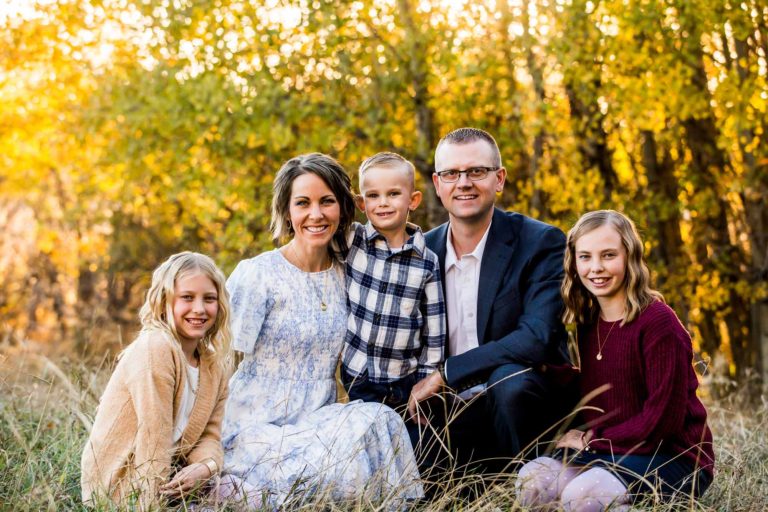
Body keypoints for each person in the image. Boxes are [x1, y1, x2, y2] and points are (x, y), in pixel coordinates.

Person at [218, 153, 423, 508]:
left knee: (378, 418)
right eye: (303, 203)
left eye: (327, 201)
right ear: (286, 211)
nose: (316, 214)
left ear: (343, 208)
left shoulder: (350, 271)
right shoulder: (259, 275)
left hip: (318, 419)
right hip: (255, 428)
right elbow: (214, 362)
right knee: (317, 476)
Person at [516, 210, 715, 510]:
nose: (596, 268)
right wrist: (540, 369)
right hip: (612, 449)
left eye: (608, 255)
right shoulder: (589, 321)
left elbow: (663, 421)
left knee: (581, 495)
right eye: (585, 257)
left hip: (672, 456)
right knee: (534, 481)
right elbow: (606, 384)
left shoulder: (658, 323)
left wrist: (591, 440)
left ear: (630, 257)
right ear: (573, 262)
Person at [407, 127, 572, 473]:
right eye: (452, 173)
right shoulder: (421, 253)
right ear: (438, 185)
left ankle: (532, 485)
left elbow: (536, 338)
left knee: (510, 381)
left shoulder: (541, 243)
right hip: (447, 411)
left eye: (476, 172)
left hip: (520, 410)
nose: (463, 182)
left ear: (499, 179)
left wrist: (449, 372)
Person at [81, 252, 231, 508]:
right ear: (164, 302)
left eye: (209, 299)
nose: (199, 309)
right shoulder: (156, 348)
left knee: (249, 493)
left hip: (174, 479)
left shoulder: (214, 365)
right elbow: (154, 439)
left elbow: (209, 436)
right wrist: (149, 505)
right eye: (186, 297)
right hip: (126, 484)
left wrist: (205, 467)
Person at [341, 152, 445, 428]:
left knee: (402, 449)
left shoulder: (427, 262)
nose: (383, 203)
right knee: (357, 443)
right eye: (373, 196)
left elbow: (434, 332)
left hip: (402, 383)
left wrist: (425, 381)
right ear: (362, 204)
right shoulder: (353, 240)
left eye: (393, 194)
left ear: (413, 200)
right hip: (355, 375)